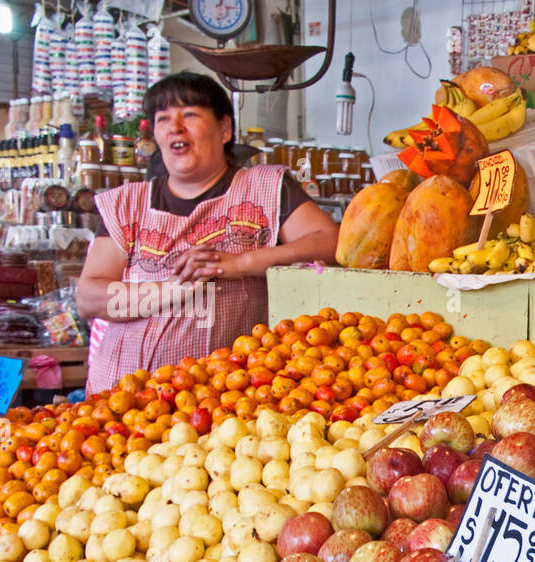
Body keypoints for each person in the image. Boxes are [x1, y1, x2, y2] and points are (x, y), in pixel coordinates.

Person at [76, 71, 339, 395]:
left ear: (224, 129)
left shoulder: (266, 187)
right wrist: (169, 289)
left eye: (189, 115)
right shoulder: (125, 203)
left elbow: (330, 242)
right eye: (163, 119)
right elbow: (89, 298)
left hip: (223, 402)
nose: (175, 127)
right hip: (122, 399)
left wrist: (238, 264)